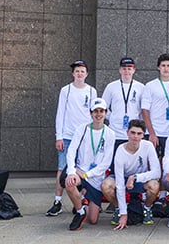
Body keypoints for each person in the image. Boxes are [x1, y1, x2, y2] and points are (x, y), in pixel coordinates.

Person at [47, 60, 97, 217]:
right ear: (73, 73)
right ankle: (57, 201)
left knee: (82, 168)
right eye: (77, 71)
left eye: (82, 71)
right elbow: (60, 113)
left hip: (85, 137)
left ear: (87, 74)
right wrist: (59, 137)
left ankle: (80, 200)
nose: (79, 74)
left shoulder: (91, 91)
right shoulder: (66, 90)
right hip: (68, 136)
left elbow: (94, 114)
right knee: (62, 168)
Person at [63, 98, 115, 230]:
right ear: (91, 113)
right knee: (69, 183)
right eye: (95, 111)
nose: (98, 114)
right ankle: (80, 211)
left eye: (101, 111)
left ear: (106, 112)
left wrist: (86, 174)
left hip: (95, 177)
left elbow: (106, 163)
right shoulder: (82, 129)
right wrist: (72, 171)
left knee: (93, 220)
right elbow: (71, 151)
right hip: (80, 172)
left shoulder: (110, 134)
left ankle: (84, 198)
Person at [101, 119, 161, 230]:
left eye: (139, 134)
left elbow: (157, 172)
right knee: (106, 185)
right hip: (123, 179)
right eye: (133, 133)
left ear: (143, 135)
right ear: (127, 132)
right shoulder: (120, 150)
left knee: (154, 185)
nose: (135, 136)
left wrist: (135, 177)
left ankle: (147, 208)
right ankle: (118, 209)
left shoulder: (148, 146)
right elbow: (119, 184)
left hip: (139, 179)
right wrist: (124, 214)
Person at [102, 57, 145, 148]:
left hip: (134, 133)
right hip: (115, 132)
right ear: (120, 70)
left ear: (134, 70)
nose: (126, 71)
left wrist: (138, 121)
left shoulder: (141, 87)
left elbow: (144, 109)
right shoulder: (111, 87)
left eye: (129, 69)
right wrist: (112, 117)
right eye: (124, 68)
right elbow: (103, 107)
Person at [141, 53, 169, 159]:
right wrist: (152, 133)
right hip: (154, 131)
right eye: (163, 65)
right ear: (158, 67)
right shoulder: (150, 86)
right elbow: (145, 110)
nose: (166, 69)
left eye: (168, 66)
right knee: (152, 163)